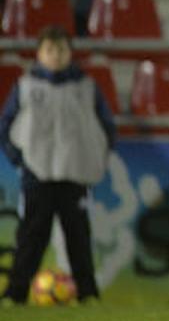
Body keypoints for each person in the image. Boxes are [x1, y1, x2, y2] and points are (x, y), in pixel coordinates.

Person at [0, 26, 115, 304]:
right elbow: (6, 127)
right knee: (31, 237)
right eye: (50, 50)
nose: (56, 55)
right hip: (37, 176)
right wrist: (20, 161)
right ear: (39, 53)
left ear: (70, 53)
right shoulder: (26, 87)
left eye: (61, 49)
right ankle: (16, 294)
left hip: (74, 175)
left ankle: (88, 294)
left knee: (78, 237)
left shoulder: (85, 87)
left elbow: (106, 127)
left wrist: (94, 160)